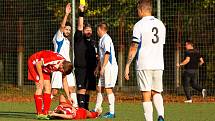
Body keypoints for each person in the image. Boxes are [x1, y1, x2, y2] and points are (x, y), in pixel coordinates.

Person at [124, 0, 166, 121]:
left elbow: (134, 46)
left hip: (144, 64)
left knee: (146, 94)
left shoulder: (139, 25)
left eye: (138, 9)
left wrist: (127, 65)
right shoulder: (161, 24)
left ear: (142, 9)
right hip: (158, 64)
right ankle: (161, 116)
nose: (137, 12)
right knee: (157, 92)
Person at [28, 50, 73, 119]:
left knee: (48, 88)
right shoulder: (53, 60)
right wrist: (41, 78)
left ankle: (45, 112)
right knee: (40, 86)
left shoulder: (65, 65)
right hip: (34, 63)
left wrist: (68, 96)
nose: (61, 72)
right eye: (61, 70)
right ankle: (40, 113)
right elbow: (38, 64)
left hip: (45, 68)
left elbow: (64, 82)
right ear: (61, 65)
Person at [51, 3, 78, 107]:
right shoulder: (59, 37)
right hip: (58, 67)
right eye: (67, 29)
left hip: (67, 67)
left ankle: (75, 107)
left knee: (72, 87)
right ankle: (44, 107)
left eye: (69, 30)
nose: (68, 31)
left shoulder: (67, 40)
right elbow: (62, 26)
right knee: (54, 91)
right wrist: (66, 14)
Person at [74, 4, 97, 110]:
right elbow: (79, 26)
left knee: (88, 90)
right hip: (81, 69)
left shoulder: (92, 42)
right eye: (87, 30)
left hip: (91, 70)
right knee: (82, 89)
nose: (89, 31)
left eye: (90, 30)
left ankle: (86, 110)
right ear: (83, 31)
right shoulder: (79, 38)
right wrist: (81, 13)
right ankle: (81, 110)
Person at [93, 22, 118, 118]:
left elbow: (107, 54)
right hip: (104, 66)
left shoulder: (106, 39)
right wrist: (97, 67)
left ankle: (112, 112)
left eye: (97, 30)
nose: (97, 32)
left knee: (108, 88)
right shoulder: (101, 40)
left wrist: (103, 67)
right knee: (100, 87)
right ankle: (96, 109)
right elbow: (102, 56)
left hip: (109, 67)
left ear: (100, 29)